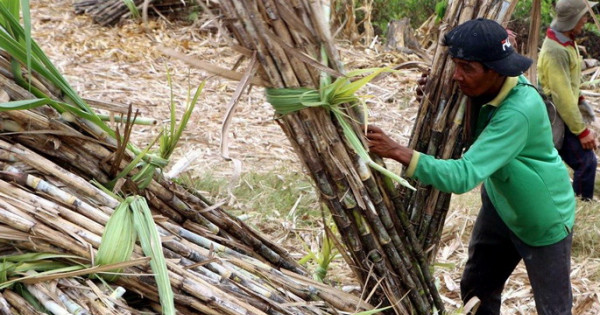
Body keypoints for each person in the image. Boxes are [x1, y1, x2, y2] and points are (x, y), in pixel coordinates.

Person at [367, 18, 576, 314]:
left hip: (541, 218)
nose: (457, 76)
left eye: (467, 68)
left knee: (553, 309)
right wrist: (437, 96)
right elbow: (467, 115)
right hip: (501, 204)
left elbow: (462, 176)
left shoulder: (519, 110)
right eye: (455, 65)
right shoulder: (487, 86)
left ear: (495, 70)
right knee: (476, 291)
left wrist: (398, 151)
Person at [537, 0, 598, 200]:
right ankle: (579, 205)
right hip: (557, 116)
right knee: (586, 162)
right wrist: (582, 131)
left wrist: (580, 99)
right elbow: (561, 97)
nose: (586, 20)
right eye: (583, 17)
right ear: (573, 20)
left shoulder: (566, 41)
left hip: (563, 113)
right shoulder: (556, 50)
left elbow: (568, 83)